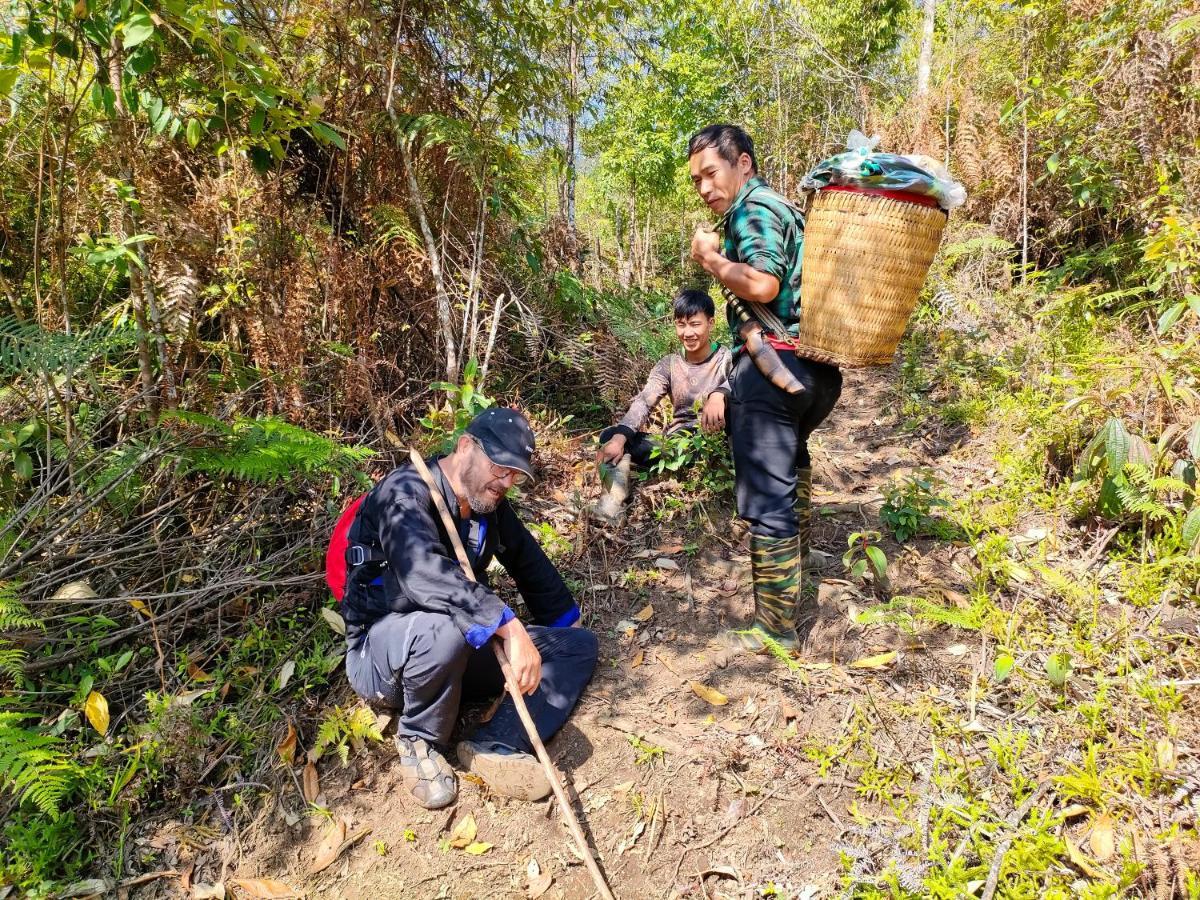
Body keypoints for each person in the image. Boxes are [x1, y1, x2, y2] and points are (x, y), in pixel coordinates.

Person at [338, 408, 598, 809]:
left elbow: (527, 561)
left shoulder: (486, 503)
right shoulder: (403, 493)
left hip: (456, 650)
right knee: (443, 630)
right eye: (500, 467)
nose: (506, 481)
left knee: (578, 647)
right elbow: (422, 573)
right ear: (465, 447)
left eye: (515, 474)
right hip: (383, 655)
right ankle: (419, 740)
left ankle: (494, 744)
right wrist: (507, 626)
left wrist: (563, 623)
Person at [687, 123, 843, 652]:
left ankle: (776, 629)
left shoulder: (754, 210)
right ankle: (791, 595)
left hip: (774, 370)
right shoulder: (783, 211)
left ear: (744, 165)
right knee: (791, 470)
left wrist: (709, 258)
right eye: (697, 181)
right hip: (815, 371)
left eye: (712, 173)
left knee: (767, 495)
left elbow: (763, 285)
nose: (705, 187)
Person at [592, 289, 731, 521]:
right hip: (676, 447)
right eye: (681, 325)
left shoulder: (727, 359)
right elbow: (644, 401)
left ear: (711, 323)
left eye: (695, 324)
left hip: (719, 445)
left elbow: (743, 386)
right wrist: (620, 437)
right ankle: (613, 504)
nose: (688, 333)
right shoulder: (669, 364)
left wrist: (720, 393)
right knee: (610, 435)